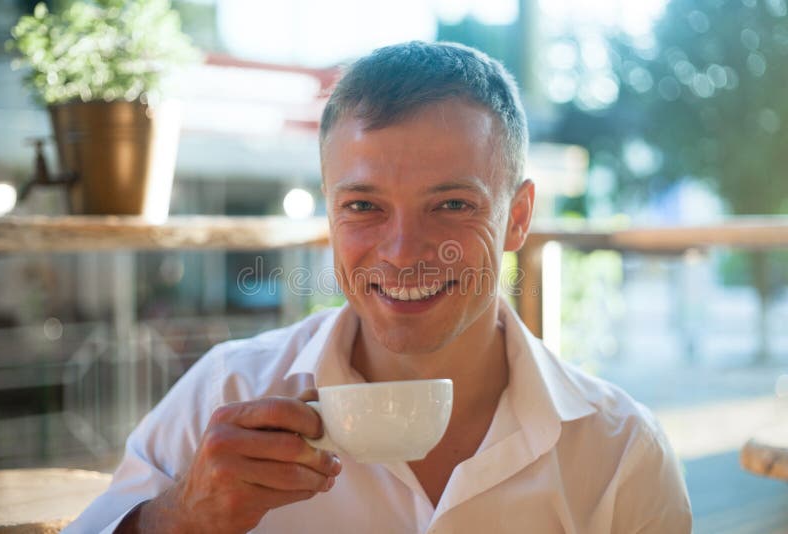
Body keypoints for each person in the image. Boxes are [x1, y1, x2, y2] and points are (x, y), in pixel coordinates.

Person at [65, 41, 692, 533]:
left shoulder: (620, 456)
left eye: (451, 203)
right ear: (330, 216)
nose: (402, 252)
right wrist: (177, 519)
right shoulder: (224, 396)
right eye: (364, 206)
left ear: (518, 217)